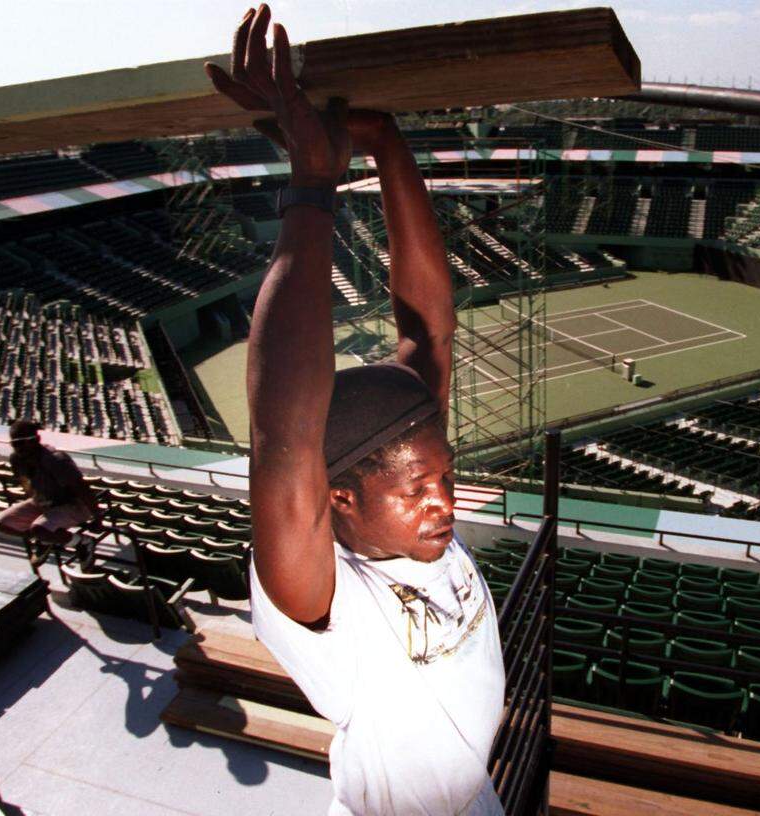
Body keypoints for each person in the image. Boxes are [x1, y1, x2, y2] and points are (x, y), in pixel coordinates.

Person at [204, 6, 504, 814]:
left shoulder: (404, 513)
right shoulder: (324, 598)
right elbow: (283, 436)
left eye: (443, 475)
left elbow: (430, 330)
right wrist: (312, 188)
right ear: (338, 496)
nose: (444, 500)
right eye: (415, 489)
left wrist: (386, 142)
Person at [0, 420, 99, 568]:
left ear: (36, 440)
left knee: (39, 529)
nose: (19, 448)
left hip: (73, 505)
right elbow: (27, 485)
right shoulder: (16, 459)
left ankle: (83, 542)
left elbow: (82, 490)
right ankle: (47, 539)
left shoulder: (56, 459)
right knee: (3, 524)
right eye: (15, 444)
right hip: (43, 501)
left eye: (22, 443)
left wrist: (97, 517)